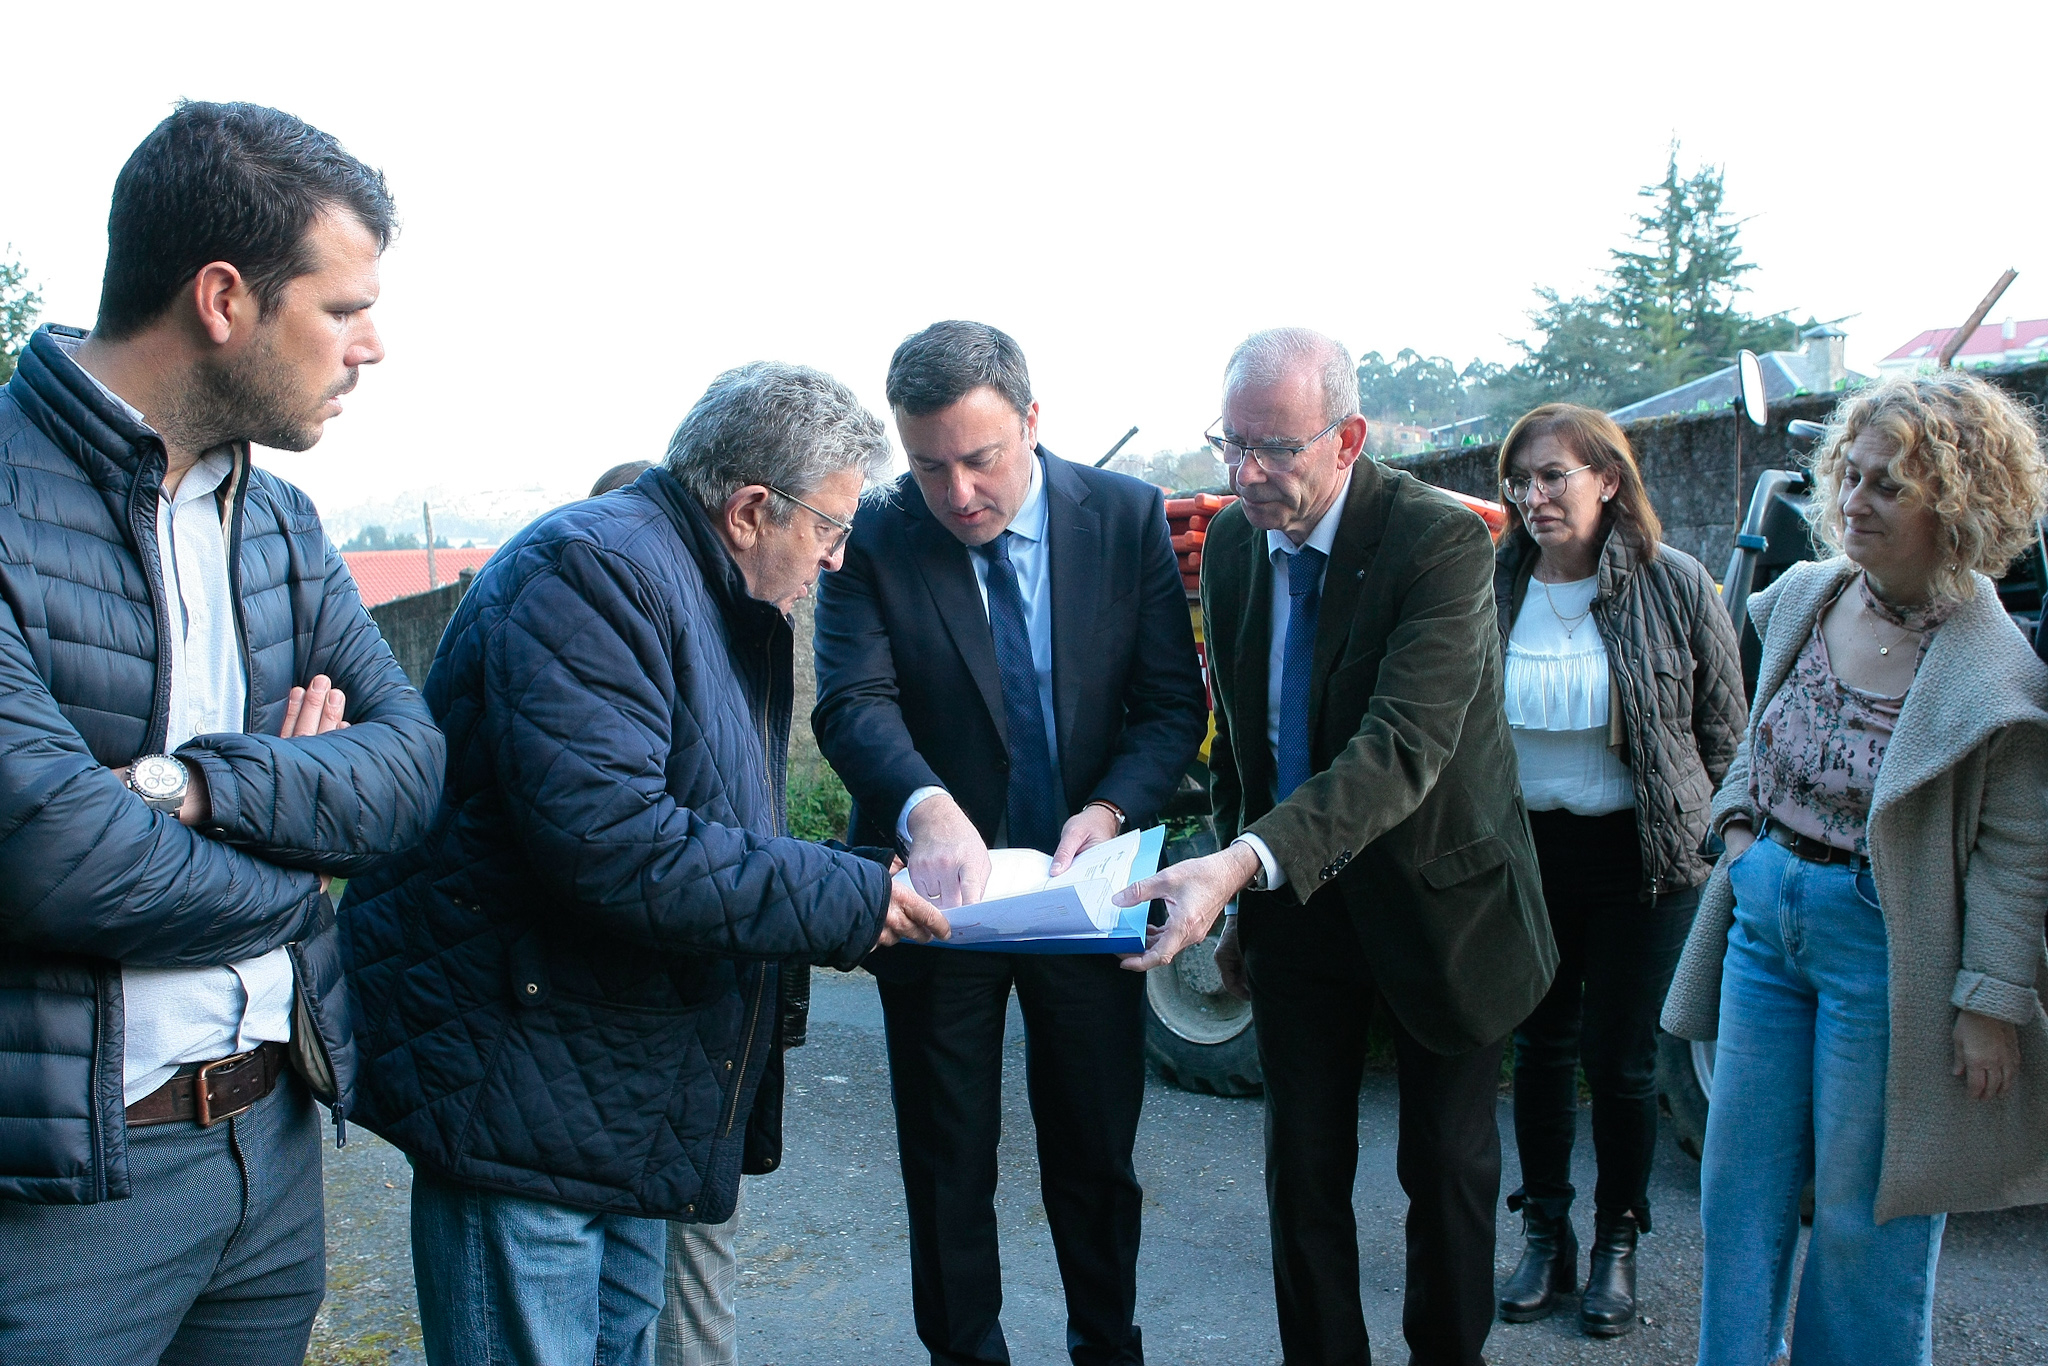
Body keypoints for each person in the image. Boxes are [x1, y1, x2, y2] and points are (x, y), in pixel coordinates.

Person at [341, 363, 951, 1366]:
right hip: (525, 1096)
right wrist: (847, 893)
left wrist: (850, 879)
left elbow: (702, 825)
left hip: (614, 1092)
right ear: (750, 510)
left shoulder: (691, 584)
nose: (837, 557)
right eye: (830, 527)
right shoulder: (594, 574)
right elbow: (613, 841)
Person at [0, 102, 445, 1364]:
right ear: (221, 299)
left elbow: (411, 771)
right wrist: (305, 871)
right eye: (343, 308)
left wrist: (188, 787)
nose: (370, 346)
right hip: (61, 1198)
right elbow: (51, 858)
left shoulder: (282, 523)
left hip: (273, 1145)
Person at [1114, 328, 1555, 1366]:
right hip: (1293, 906)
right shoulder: (1232, 545)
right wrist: (1243, 892)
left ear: (1348, 438)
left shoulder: (1438, 542)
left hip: (1440, 903)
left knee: (1443, 1170)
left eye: (1274, 449)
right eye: (1231, 444)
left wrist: (1237, 863)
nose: (1245, 474)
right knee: (1301, 1172)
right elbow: (1243, 742)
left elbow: (1400, 747)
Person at [812, 320, 1207, 1366]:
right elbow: (850, 701)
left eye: (979, 459)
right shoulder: (876, 532)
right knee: (946, 1162)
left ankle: (1107, 1348)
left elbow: (1170, 706)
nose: (957, 493)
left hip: (1085, 890)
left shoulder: (1122, 517)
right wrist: (924, 804)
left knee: (1096, 1153)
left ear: (1031, 421)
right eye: (927, 466)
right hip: (940, 899)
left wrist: (1109, 809)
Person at [1663, 372, 2048, 1366]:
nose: (1853, 501)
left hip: (1884, 945)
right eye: (1850, 474)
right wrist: (1738, 841)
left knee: (1862, 1210)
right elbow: (1751, 738)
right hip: (1763, 923)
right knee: (1737, 1191)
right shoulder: (1805, 593)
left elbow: (2015, 850)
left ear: (1956, 506)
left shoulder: (1996, 668)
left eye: (1889, 485)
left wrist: (1991, 1000)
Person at [1489, 405, 1745, 1335]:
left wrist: (1723, 848)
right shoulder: (1490, 585)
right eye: (1521, 479)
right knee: (1540, 1050)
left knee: (1623, 1061)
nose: (1535, 495)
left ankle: (1617, 1244)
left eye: (1553, 474)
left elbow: (1726, 733)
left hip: (1645, 860)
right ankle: (1545, 1235)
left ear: (1607, 479)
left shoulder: (1675, 583)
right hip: (1527, 858)